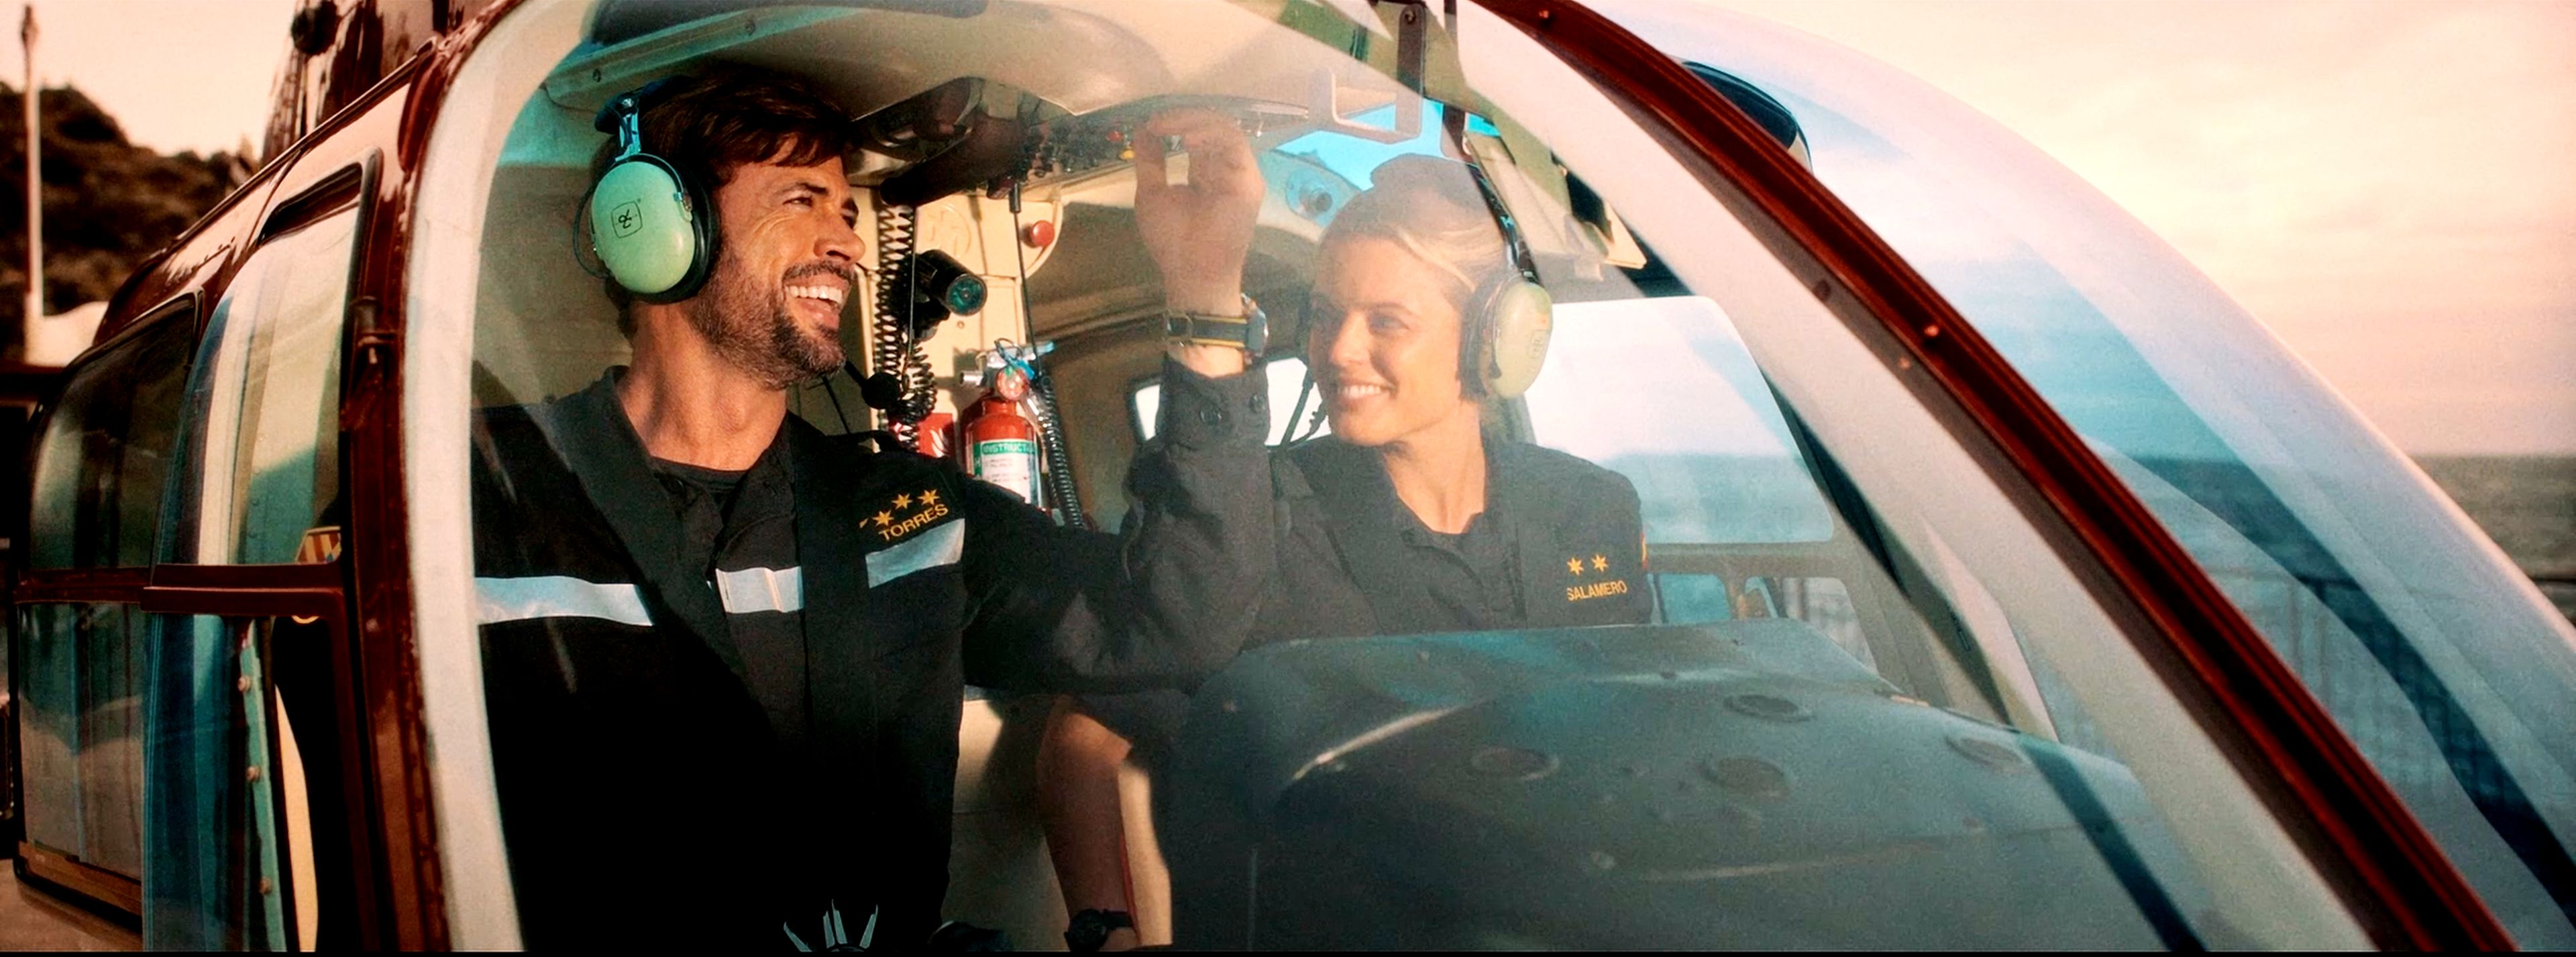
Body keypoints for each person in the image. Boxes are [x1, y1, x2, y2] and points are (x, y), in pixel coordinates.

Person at [466, 72, 1260, 950]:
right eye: (801, 200)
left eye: (848, 212)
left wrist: (1205, 296)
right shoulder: (482, 495)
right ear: (653, 225)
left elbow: (1178, 619)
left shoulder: (914, 516)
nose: (846, 242)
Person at [1034, 112, 1652, 950]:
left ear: (1491, 340)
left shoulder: (1590, 509)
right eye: (1326, 315)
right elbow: (1083, 740)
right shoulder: (1256, 519)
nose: (1337, 351)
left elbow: (1628, 727)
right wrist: (1107, 932)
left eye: (1386, 321)